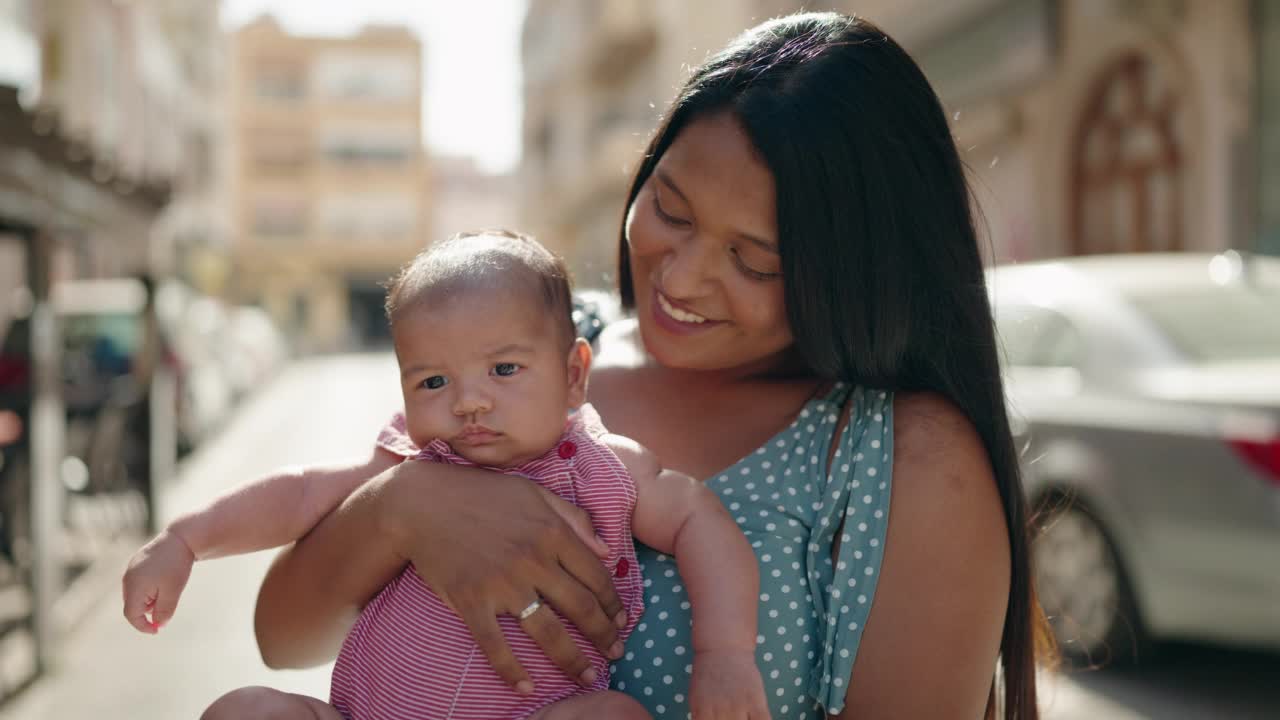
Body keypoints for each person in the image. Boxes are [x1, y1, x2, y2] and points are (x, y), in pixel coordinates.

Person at [252, 11, 1052, 720]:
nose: (681, 276)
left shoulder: (906, 458)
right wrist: (406, 507)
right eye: (671, 208)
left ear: (857, 276)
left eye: (753, 261)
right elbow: (284, 636)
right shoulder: (533, 357)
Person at [121, 231, 770, 719]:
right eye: (433, 380)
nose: (468, 402)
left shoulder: (607, 469)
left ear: (574, 374)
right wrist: (186, 540)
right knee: (244, 711)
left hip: (529, 714)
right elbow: (303, 490)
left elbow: (698, 520)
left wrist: (726, 656)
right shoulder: (412, 457)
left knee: (615, 718)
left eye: (505, 370)